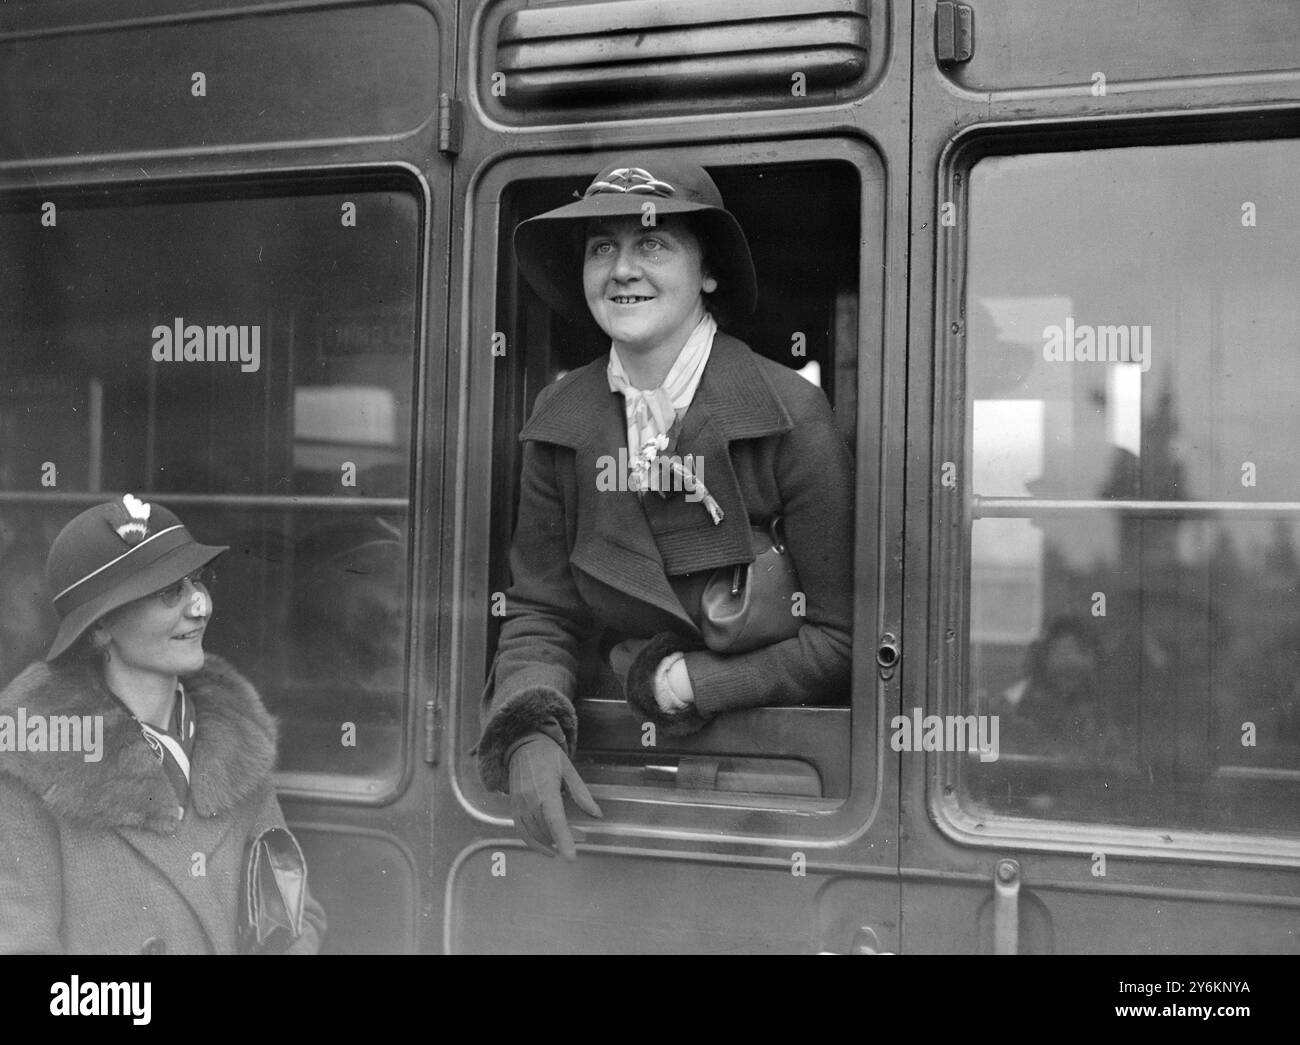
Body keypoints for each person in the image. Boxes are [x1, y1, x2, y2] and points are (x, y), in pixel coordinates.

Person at [478, 158, 854, 859]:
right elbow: (542, 610)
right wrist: (530, 727)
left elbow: (844, 638)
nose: (622, 269)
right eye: (602, 247)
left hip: (779, 789)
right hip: (608, 781)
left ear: (707, 271)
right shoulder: (559, 416)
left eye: (652, 242)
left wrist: (685, 682)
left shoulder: (792, 413)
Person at [0, 494, 326, 954]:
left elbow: (292, 916)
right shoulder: (30, 761)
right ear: (98, 628)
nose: (199, 607)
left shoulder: (234, 739)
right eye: (168, 591)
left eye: (198, 581)